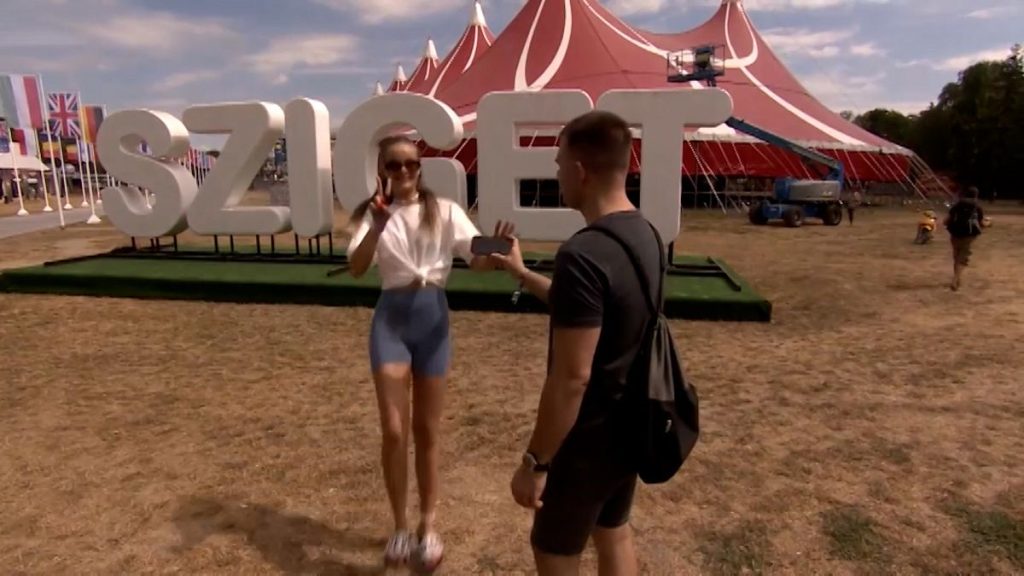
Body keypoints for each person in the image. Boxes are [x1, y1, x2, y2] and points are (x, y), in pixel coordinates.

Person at [488, 110, 663, 575]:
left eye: (560, 162)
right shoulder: (644, 233)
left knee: (555, 550)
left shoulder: (583, 253)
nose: (558, 172)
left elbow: (571, 378)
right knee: (613, 531)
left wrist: (535, 461)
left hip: (586, 438)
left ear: (581, 170)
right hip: (632, 422)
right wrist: (523, 275)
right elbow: (595, 313)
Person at [346, 134, 509, 571]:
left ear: (420, 168)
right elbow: (358, 267)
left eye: (411, 164)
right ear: (382, 170)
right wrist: (377, 226)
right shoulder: (373, 214)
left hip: (432, 321)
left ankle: (428, 524)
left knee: (427, 432)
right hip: (391, 324)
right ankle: (399, 526)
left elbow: (474, 255)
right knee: (395, 431)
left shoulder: (446, 211)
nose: (403, 172)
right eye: (394, 165)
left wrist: (496, 248)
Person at [943, 185, 986, 291]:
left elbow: (946, 220)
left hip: (955, 233)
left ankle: (957, 279)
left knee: (957, 256)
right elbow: (981, 223)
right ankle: (955, 279)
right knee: (963, 258)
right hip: (969, 235)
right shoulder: (977, 207)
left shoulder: (957, 205)